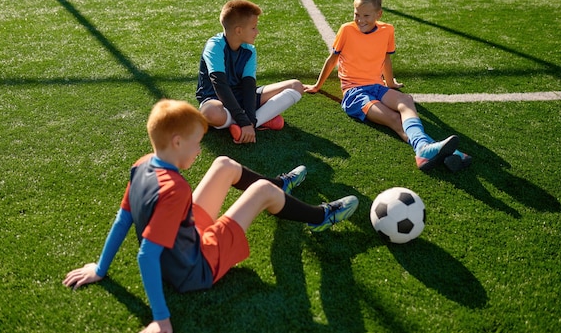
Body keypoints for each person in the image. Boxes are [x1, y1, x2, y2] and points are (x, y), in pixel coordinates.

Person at [63, 99, 358, 333]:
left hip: (183, 242)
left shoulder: (142, 165)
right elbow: (146, 256)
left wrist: (101, 268)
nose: (198, 149)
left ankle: (279, 185)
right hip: (195, 267)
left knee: (223, 164)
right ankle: (319, 216)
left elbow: (122, 219)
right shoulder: (174, 188)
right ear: (177, 142)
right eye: (195, 142)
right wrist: (161, 320)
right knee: (258, 193)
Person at [304, 0, 471, 172]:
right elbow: (332, 59)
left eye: (366, 15)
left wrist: (390, 83)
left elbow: (386, 59)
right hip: (354, 93)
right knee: (393, 118)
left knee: (406, 100)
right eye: (356, 14)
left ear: (379, 14)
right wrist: (317, 85)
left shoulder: (387, 30)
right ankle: (439, 152)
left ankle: (425, 151)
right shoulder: (346, 30)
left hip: (377, 86)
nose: (360, 20)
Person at [196, 0, 304, 144]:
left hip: (242, 98)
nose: (257, 32)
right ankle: (262, 119)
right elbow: (220, 85)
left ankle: (246, 125)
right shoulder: (214, 46)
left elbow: (248, 87)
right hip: (216, 99)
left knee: (296, 86)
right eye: (254, 28)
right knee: (210, 113)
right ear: (238, 30)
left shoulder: (249, 50)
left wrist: (249, 122)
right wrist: (243, 120)